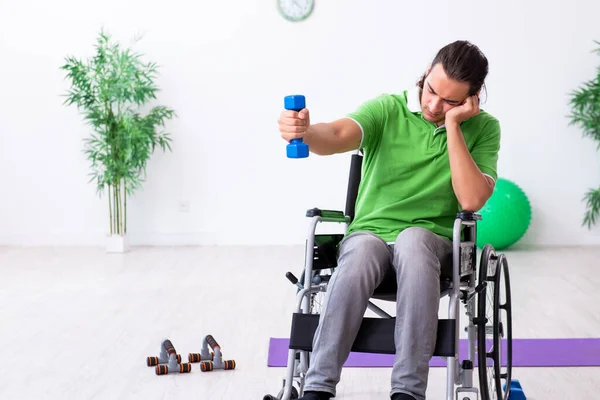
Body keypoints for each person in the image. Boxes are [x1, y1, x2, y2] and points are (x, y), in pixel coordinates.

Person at [277, 40, 501, 400]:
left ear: (472, 99)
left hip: (433, 246)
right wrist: (304, 131)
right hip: (372, 238)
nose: (433, 105)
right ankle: (316, 388)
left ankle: (408, 392)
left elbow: (472, 199)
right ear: (427, 73)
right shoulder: (387, 109)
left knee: (413, 238)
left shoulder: (485, 129)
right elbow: (334, 135)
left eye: (451, 101)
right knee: (362, 247)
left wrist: (454, 127)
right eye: (432, 91)